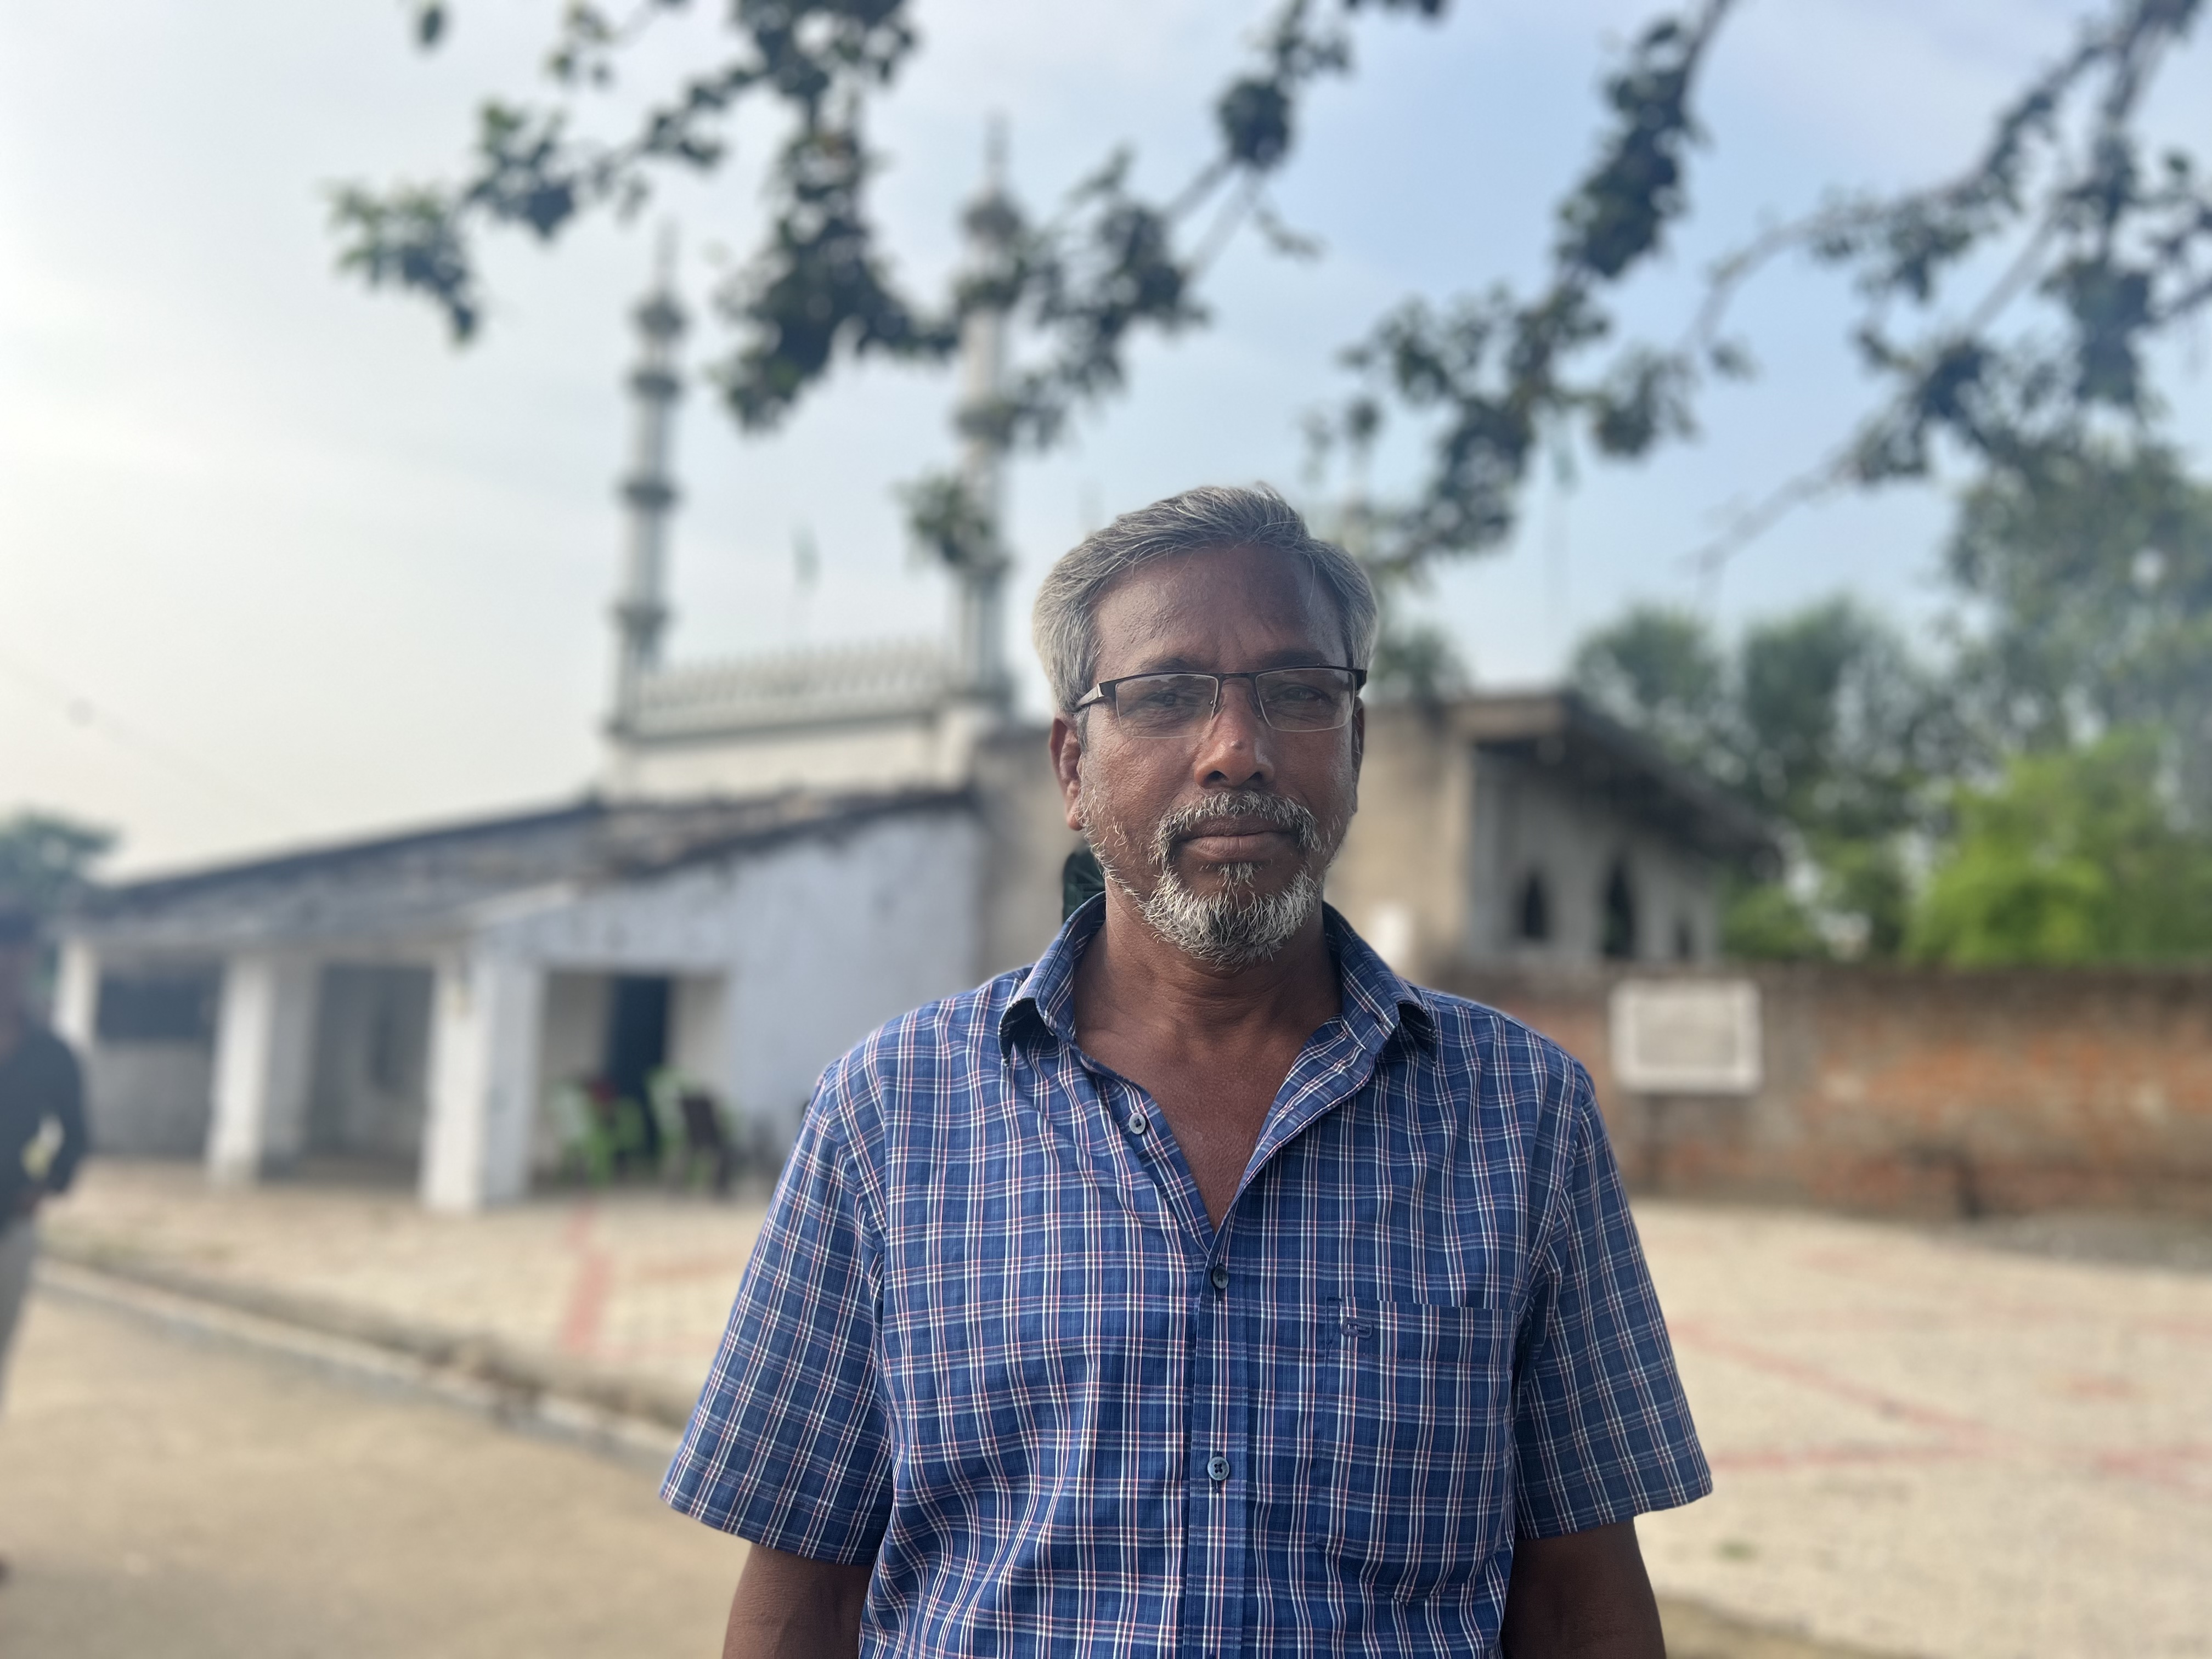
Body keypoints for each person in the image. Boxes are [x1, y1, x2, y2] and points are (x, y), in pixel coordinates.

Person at [663, 485, 1709, 1657]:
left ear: (1356, 746)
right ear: (1072, 766)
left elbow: (1577, 1592)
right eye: (1163, 697)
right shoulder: (889, 1115)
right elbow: (808, 1589)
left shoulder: (1522, 1117)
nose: (1236, 750)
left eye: (1298, 693)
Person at [0, 905, 91, 1583]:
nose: (7, 963)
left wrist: (46, 1184)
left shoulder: (52, 1051)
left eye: (17, 951)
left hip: (9, 1234)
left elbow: (77, 1134)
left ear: (32, 959)